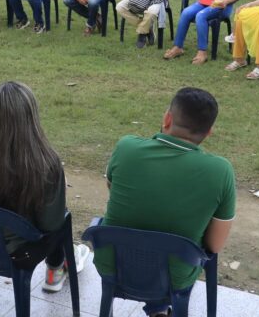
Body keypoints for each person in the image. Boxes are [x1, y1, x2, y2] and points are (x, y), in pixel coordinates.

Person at [95, 88, 235, 317]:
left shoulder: (126, 147)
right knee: (176, 244)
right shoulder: (221, 171)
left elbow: (114, 190)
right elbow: (215, 245)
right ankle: (159, 308)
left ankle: (157, 309)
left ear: (167, 118)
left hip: (112, 266)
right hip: (174, 278)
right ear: (209, 132)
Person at [0, 81, 91, 291]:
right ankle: (55, 268)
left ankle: (57, 266)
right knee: (62, 218)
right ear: (31, 115)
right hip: (16, 252)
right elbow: (51, 224)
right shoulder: (46, 161)